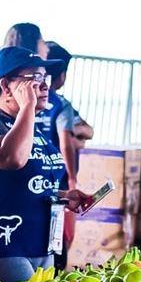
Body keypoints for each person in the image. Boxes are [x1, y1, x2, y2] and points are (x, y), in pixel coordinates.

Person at [0, 47, 89, 282]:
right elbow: (11, 159)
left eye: (45, 78)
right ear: (5, 86)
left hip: (41, 245)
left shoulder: (29, 127)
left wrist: (65, 196)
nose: (45, 86)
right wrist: (27, 109)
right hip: (5, 247)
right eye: (35, 79)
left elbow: (31, 186)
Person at [43, 41, 94, 189]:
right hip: (58, 174)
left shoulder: (28, 101)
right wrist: (72, 178)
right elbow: (66, 144)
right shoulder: (61, 104)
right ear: (62, 74)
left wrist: (75, 135)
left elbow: (88, 131)